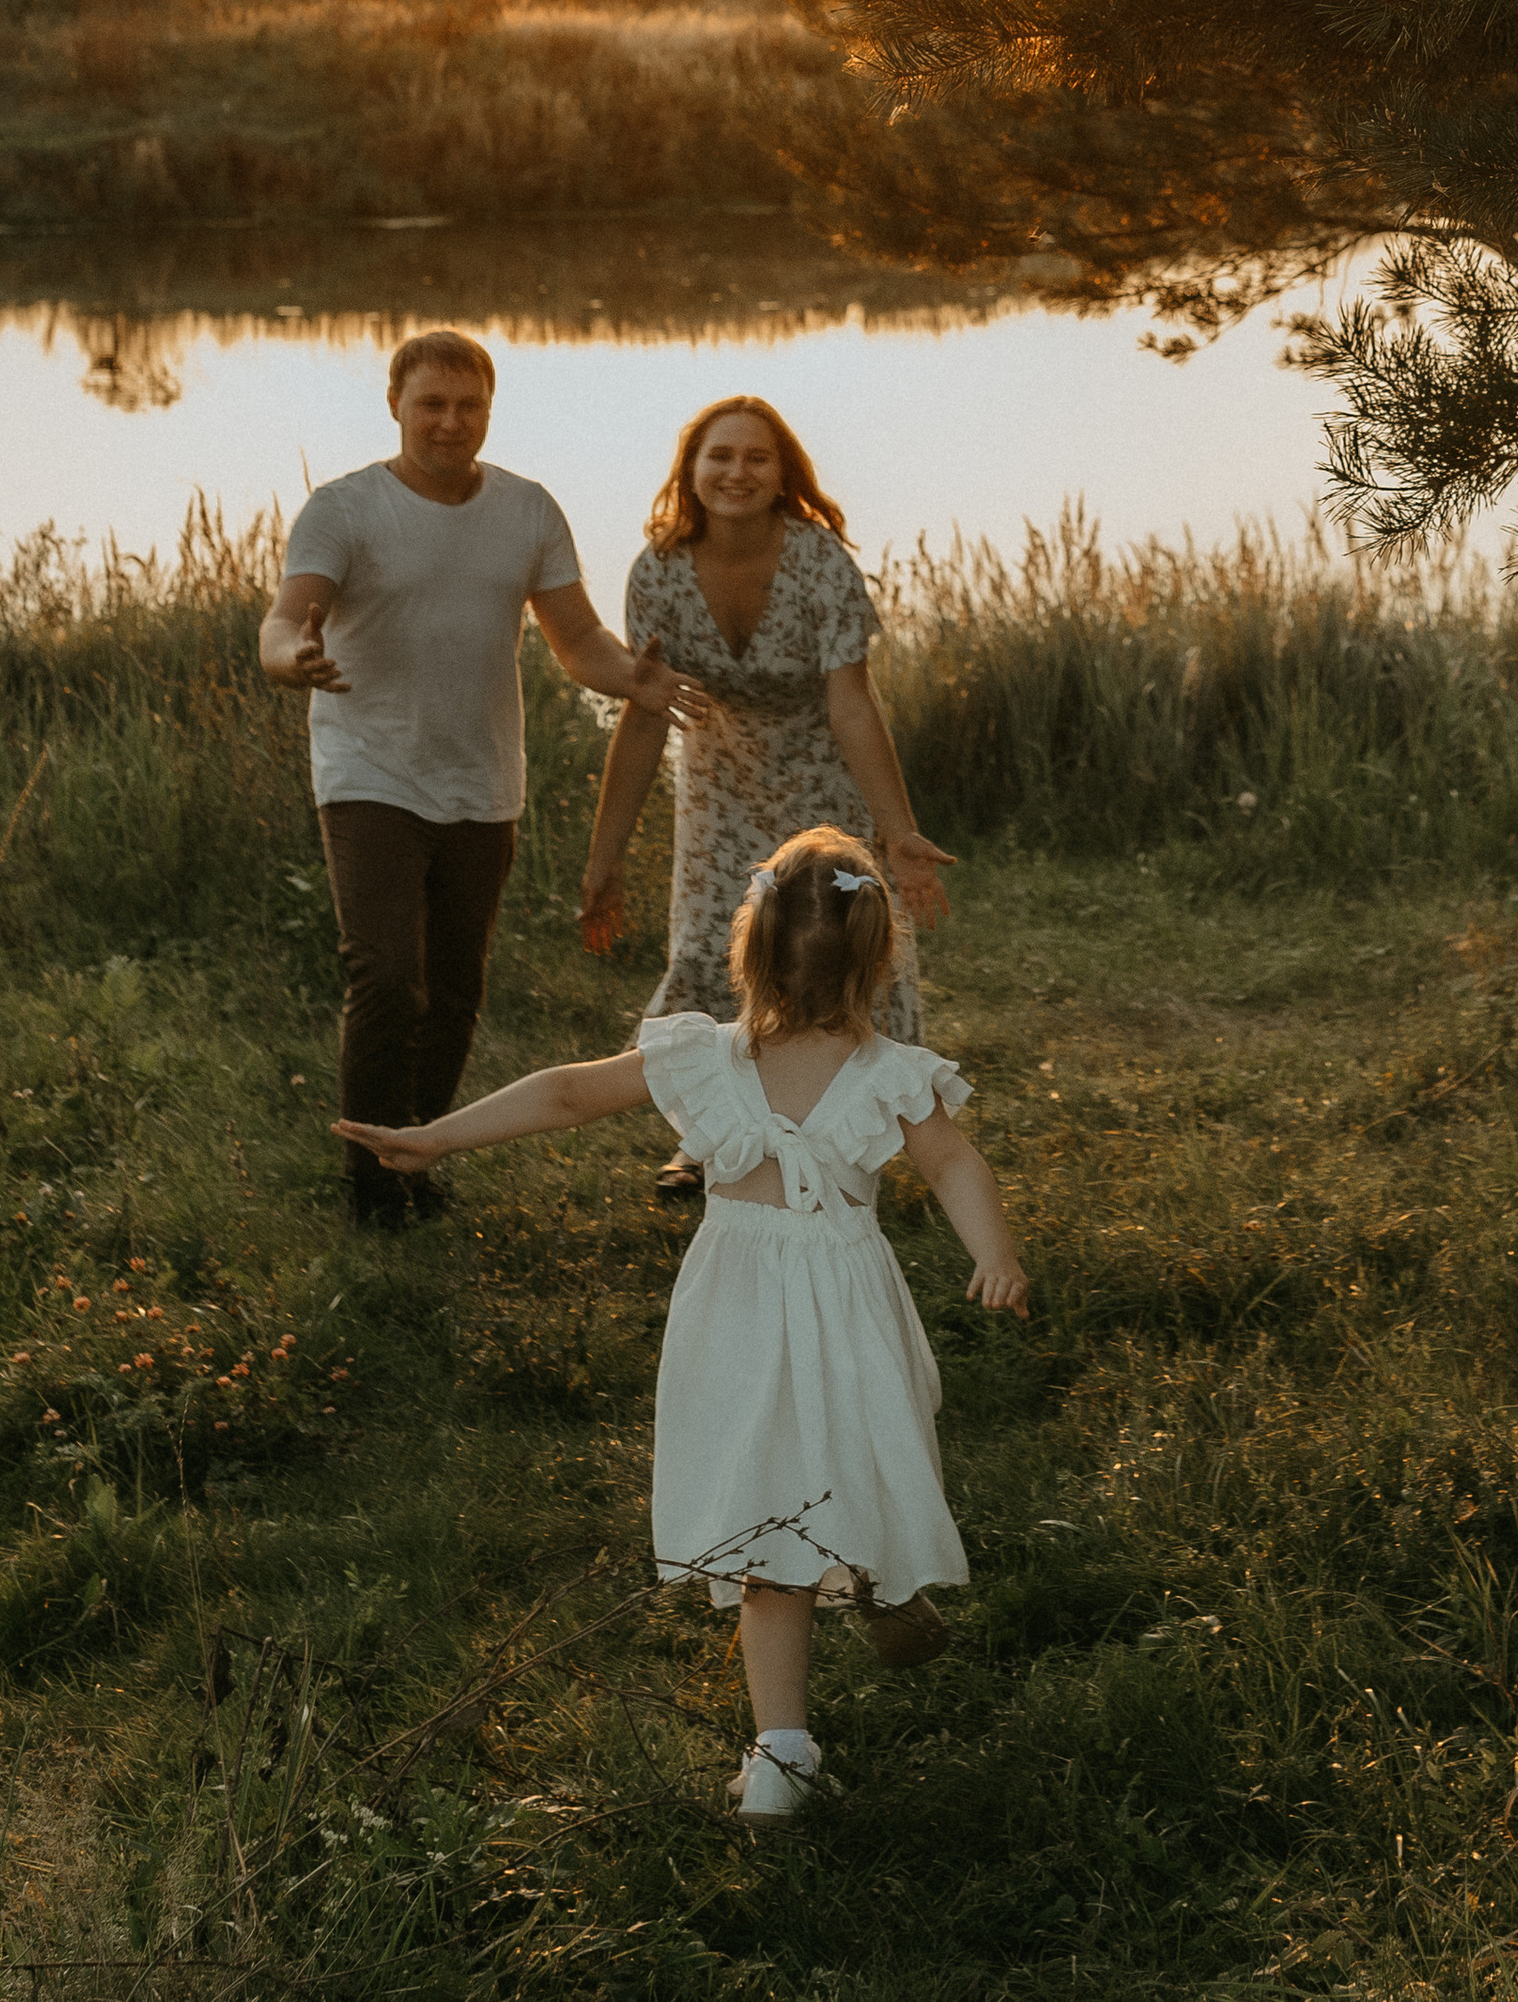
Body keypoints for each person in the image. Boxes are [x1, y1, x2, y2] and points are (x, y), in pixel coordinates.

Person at [336, 823, 1027, 1823]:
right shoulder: (887, 1072)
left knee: (772, 1519)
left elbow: (567, 1092)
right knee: (855, 1454)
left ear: (749, 949)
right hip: (847, 1305)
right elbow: (953, 1162)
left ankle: (795, 1724)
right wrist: (993, 1255)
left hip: (738, 1311)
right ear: (878, 958)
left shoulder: (708, 1057)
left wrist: (437, 1136)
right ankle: (861, 1598)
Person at [262, 326, 653, 1227]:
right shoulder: (344, 509)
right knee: (386, 976)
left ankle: (418, 1155)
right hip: (369, 772)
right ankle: (372, 1188)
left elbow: (577, 640)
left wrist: (637, 677)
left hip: (483, 779)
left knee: (455, 991)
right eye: (430, 403)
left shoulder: (528, 511)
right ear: (394, 404)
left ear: (488, 409)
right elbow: (283, 622)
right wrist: (292, 659)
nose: (449, 421)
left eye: (467, 404)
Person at [577, 395, 955, 1198]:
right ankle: (706, 1142)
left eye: (756, 456)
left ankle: (851, 1137)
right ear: (691, 470)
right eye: (720, 455)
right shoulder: (658, 570)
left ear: (783, 475)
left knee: (834, 950)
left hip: (823, 782)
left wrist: (896, 832)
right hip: (719, 784)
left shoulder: (819, 563)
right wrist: (605, 858)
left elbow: (853, 703)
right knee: (707, 954)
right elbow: (644, 716)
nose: (736, 471)